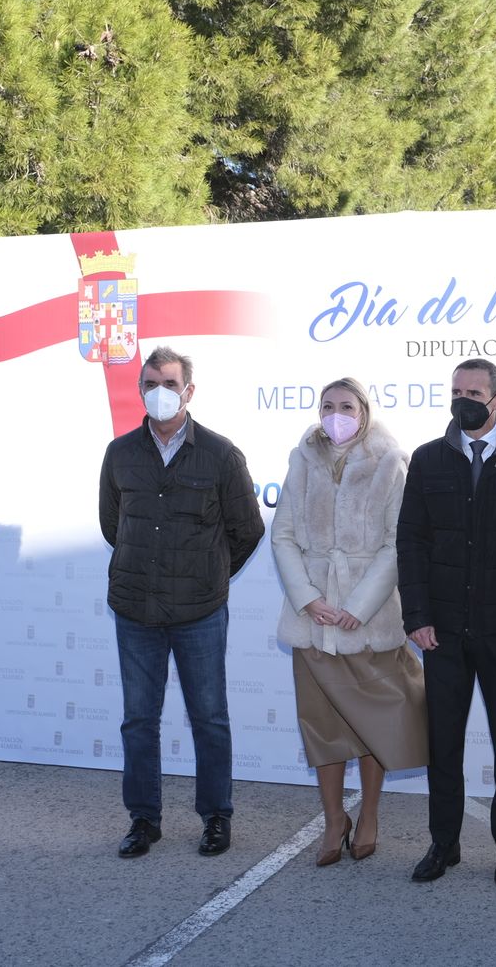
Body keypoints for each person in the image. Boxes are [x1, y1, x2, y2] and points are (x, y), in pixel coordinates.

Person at [99, 345, 265, 859]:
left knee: (209, 718)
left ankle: (216, 817)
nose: (159, 393)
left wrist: (208, 576)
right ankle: (143, 820)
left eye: (169, 384)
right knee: (138, 720)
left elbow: (247, 530)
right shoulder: (120, 453)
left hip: (200, 612)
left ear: (189, 391)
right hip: (136, 611)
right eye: (150, 383)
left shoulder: (220, 454)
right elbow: (113, 526)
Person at [397, 359, 496, 887]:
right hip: (443, 631)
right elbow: (411, 541)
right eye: (457, 391)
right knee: (444, 746)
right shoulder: (429, 459)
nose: (464, 399)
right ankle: (444, 843)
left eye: (475, 392)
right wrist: (415, 616)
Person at [272, 377, 425, 867]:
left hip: (370, 619)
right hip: (314, 621)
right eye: (328, 406)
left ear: (364, 411)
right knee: (322, 726)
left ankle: (372, 813)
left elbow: (397, 543)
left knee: (372, 726)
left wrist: (357, 606)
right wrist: (309, 598)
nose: (336, 415)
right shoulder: (302, 459)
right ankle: (334, 818)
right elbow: (284, 536)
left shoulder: (390, 461)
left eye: (346, 406)